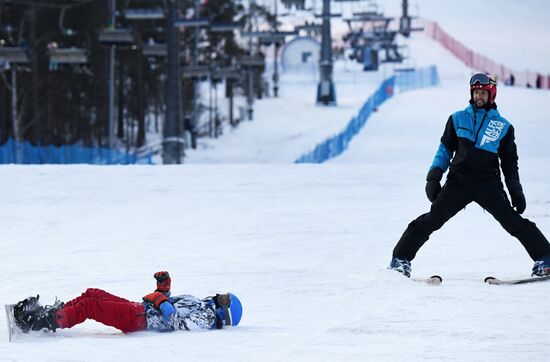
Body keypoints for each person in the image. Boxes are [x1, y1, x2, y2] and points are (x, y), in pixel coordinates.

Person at [388, 73, 550, 278]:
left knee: (511, 220)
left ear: (491, 95)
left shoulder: (503, 127)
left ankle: (545, 257)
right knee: (433, 219)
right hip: (458, 181)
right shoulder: (457, 119)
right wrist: (433, 177)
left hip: (488, 183)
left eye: (483, 93)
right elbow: (444, 151)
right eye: (476, 93)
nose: (479, 97)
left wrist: (515, 190)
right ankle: (400, 259)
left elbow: (510, 163)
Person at [11, 271, 243, 334]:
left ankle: (42, 323)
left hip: (139, 320)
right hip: (140, 310)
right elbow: (168, 305)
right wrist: (164, 289)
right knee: (93, 292)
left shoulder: (208, 319)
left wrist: (161, 300)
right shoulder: (203, 305)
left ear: (226, 311)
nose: (222, 296)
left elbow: (175, 323)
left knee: (92, 306)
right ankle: (54, 312)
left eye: (226, 299)